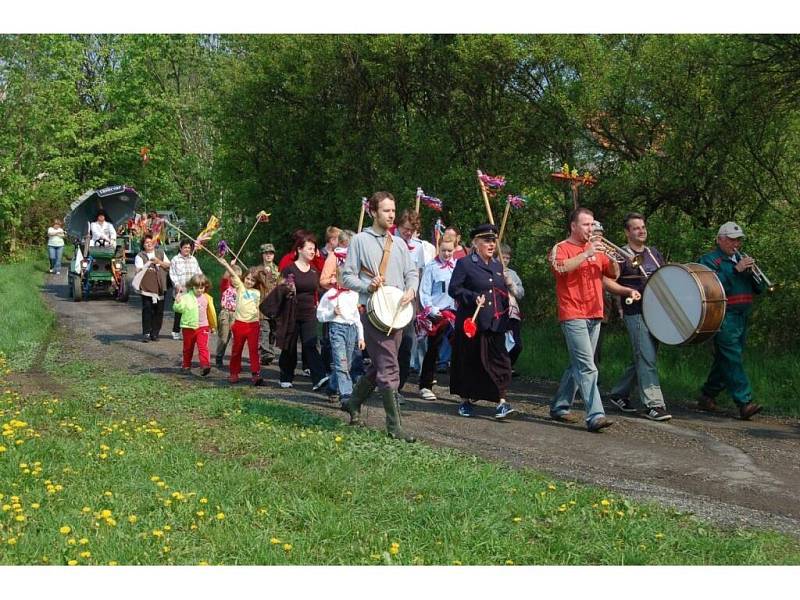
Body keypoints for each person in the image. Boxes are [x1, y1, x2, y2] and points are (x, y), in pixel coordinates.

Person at [547, 207, 639, 432]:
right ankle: (595, 415)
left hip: (595, 311)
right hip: (573, 312)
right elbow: (560, 268)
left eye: (592, 224)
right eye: (586, 224)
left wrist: (612, 258)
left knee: (577, 365)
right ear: (574, 226)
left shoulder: (597, 249)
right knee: (588, 367)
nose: (591, 228)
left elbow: (611, 275)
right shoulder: (562, 248)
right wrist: (586, 253)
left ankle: (559, 406)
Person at [341, 191, 418, 442]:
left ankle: (353, 403)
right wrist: (367, 286)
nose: (391, 215)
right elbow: (347, 276)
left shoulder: (399, 244)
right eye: (386, 210)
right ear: (373, 212)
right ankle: (394, 427)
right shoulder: (360, 241)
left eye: (393, 210)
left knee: (380, 366)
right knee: (389, 366)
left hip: (397, 314)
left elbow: (412, 273)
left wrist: (411, 289)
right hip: (372, 312)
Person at [602, 213, 672, 421]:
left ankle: (619, 393)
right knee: (646, 356)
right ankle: (653, 404)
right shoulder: (620, 254)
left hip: (657, 312)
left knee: (643, 355)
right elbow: (607, 282)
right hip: (635, 311)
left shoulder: (654, 253)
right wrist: (625, 291)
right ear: (627, 232)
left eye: (643, 227)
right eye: (636, 228)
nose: (641, 231)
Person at [697, 221, 765, 420]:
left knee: (725, 358)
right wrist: (735, 270)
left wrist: (752, 273)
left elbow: (759, 289)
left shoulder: (740, 258)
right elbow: (711, 289)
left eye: (738, 240)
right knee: (732, 357)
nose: (736, 244)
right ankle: (744, 402)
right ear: (720, 239)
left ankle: (708, 395)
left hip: (743, 315)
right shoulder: (709, 260)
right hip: (722, 314)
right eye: (732, 240)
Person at [448, 223, 516, 420]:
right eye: (486, 240)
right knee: (471, 362)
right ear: (476, 243)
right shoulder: (465, 264)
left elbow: (501, 292)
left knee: (501, 361)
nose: (491, 244)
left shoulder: (497, 266)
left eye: (493, 240)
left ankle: (502, 402)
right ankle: (466, 400)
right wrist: (472, 296)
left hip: (496, 323)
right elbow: (454, 289)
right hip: (473, 321)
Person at [274, 233, 329, 391]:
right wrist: (288, 289)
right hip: (291, 312)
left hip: (309, 313)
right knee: (289, 346)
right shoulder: (289, 269)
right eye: (310, 249)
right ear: (299, 250)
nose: (313, 251)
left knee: (310, 344)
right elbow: (280, 289)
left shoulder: (313, 270)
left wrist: (317, 302)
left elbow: (315, 290)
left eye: (314, 249)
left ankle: (319, 377)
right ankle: (285, 376)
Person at [317, 259, 365, 407]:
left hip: (351, 330)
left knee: (347, 364)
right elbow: (319, 315)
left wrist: (361, 337)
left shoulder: (354, 294)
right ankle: (347, 395)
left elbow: (357, 318)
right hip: (337, 328)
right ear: (337, 278)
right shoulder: (331, 294)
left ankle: (332, 388)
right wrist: (332, 313)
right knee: (341, 363)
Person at [417, 238, 457, 401]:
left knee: (460, 349)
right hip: (438, 314)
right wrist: (432, 309)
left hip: (454, 313)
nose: (447, 254)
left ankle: (460, 386)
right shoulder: (431, 268)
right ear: (438, 250)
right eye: (444, 251)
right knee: (433, 349)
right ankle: (425, 385)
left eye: (450, 251)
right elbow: (424, 291)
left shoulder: (458, 267)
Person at [216, 260, 266, 386]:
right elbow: (232, 274)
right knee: (236, 350)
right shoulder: (240, 287)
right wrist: (226, 264)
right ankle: (234, 373)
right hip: (239, 325)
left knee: (253, 350)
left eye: (252, 280)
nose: (249, 282)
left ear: (256, 282)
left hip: (253, 326)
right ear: (243, 279)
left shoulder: (259, 293)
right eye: (247, 279)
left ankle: (256, 374)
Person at [172, 274, 217, 376]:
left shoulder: (207, 298)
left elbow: (211, 313)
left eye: (201, 287)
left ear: (205, 287)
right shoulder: (186, 297)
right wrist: (178, 302)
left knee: (203, 347)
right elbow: (178, 309)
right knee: (188, 348)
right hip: (189, 327)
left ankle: (205, 365)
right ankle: (186, 365)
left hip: (203, 327)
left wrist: (213, 326)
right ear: (192, 286)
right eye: (197, 287)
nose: (199, 290)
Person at [134, 233, 170, 342]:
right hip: (146, 288)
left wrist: (159, 262)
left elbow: (169, 265)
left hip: (160, 287)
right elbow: (138, 270)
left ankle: (155, 333)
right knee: (147, 309)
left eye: (151, 242)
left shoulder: (160, 253)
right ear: (143, 245)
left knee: (159, 311)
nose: (149, 244)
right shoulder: (140, 256)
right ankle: (146, 333)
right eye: (146, 242)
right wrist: (148, 264)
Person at [168, 239, 203, 340]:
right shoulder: (175, 259)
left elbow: (198, 272)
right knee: (180, 310)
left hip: (192, 290)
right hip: (181, 290)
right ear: (180, 248)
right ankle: (176, 331)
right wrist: (176, 284)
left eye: (189, 247)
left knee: (191, 310)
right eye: (185, 247)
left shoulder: (193, 259)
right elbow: (172, 274)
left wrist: (201, 281)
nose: (187, 249)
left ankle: (189, 331)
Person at [499, 243, 525, 371]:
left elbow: (520, 293)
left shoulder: (513, 274)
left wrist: (512, 285)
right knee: (499, 343)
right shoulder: (490, 270)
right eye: (502, 257)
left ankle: (508, 365)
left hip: (512, 312)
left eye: (507, 258)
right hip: (497, 312)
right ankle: (501, 366)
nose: (505, 260)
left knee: (517, 344)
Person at [255, 243, 280, 365]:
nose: (268, 255)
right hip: (262, 304)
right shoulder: (257, 270)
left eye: (271, 253)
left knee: (274, 331)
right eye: (266, 253)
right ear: (262, 255)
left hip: (275, 306)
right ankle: (266, 353)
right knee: (264, 330)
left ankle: (268, 351)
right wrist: (261, 272)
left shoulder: (278, 270)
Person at [215, 263, 242, 368]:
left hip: (236, 315)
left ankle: (235, 361)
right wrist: (229, 266)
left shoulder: (241, 289)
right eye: (233, 277)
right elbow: (225, 276)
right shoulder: (226, 286)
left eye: (238, 278)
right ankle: (219, 356)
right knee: (224, 337)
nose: (236, 280)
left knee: (236, 339)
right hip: (225, 313)